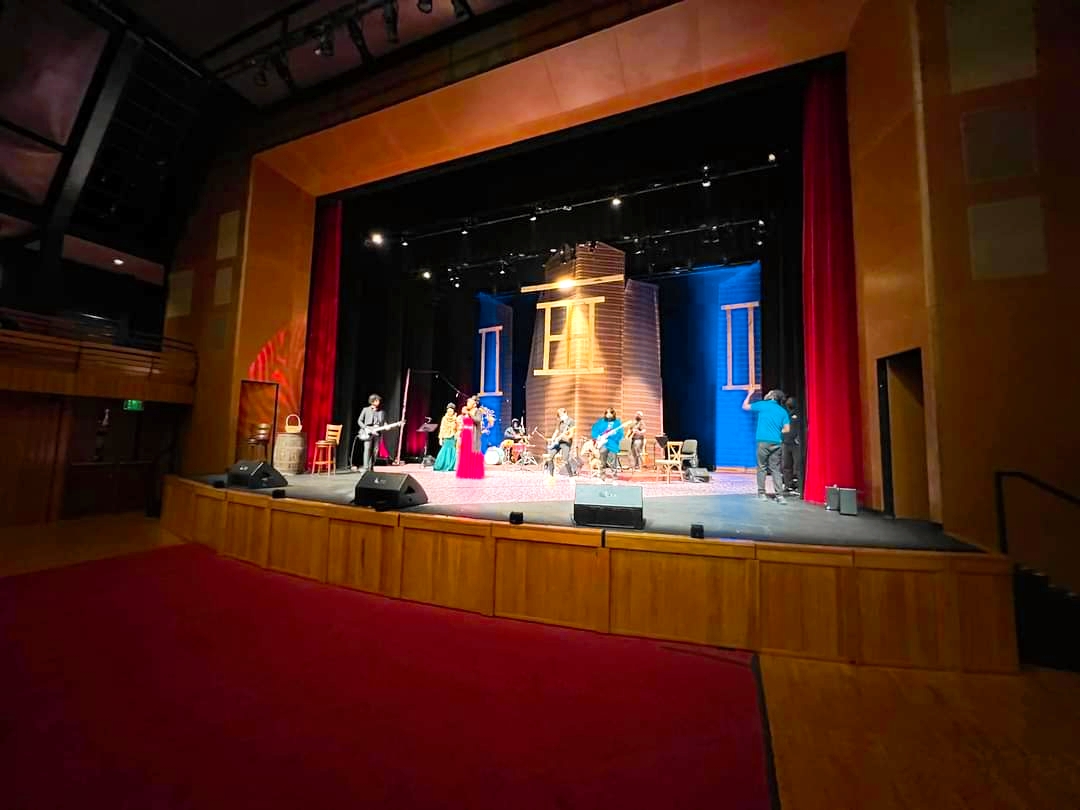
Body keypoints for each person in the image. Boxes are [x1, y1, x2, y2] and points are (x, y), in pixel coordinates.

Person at [742, 387, 791, 503]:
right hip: (776, 442)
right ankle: (780, 496)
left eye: (769, 393)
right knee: (775, 469)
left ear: (772, 396)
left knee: (762, 468)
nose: (767, 394)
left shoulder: (763, 405)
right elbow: (787, 429)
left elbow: (745, 406)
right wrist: (776, 432)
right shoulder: (782, 411)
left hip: (763, 441)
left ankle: (762, 494)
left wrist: (749, 394)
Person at [354, 393, 386, 473]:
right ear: (372, 401)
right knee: (367, 449)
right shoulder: (366, 409)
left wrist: (387, 426)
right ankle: (365, 468)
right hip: (368, 432)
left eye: (379, 400)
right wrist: (365, 428)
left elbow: (384, 422)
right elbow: (359, 421)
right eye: (377, 400)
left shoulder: (381, 412)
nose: (378, 402)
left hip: (377, 433)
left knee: (375, 450)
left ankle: (371, 467)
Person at [455, 397, 485, 480]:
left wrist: (469, 414)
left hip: (473, 435)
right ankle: (465, 472)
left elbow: (478, 420)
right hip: (465, 434)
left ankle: (473, 472)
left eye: (469, 403)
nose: (467, 404)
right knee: (465, 453)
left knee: (473, 452)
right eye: (467, 403)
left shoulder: (477, 411)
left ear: (474, 404)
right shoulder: (465, 412)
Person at [590, 408, 623, 477]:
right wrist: (598, 437)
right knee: (602, 457)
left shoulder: (617, 423)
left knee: (613, 458)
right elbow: (594, 430)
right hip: (603, 443)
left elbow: (620, 434)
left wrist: (615, 434)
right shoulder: (601, 422)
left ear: (613, 414)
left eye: (610, 413)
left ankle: (614, 474)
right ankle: (602, 474)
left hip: (612, 443)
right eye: (607, 413)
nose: (608, 414)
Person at [545, 407, 577, 477]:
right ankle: (551, 476)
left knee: (565, 460)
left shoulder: (571, 421)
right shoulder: (560, 422)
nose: (560, 417)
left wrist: (564, 436)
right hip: (559, 442)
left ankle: (571, 476)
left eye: (561, 415)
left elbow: (571, 435)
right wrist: (553, 439)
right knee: (550, 457)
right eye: (559, 416)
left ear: (565, 413)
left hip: (566, 443)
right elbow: (556, 431)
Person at [782, 396, 802, 496]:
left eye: (791, 401)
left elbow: (801, 427)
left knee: (798, 466)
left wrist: (799, 437)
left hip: (796, 444)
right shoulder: (786, 414)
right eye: (788, 401)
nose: (789, 403)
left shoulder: (799, 414)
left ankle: (799, 486)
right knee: (786, 466)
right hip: (786, 443)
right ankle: (787, 485)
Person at [433, 402, 459, 472]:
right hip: (446, 437)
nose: (450, 412)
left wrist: (457, 435)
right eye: (448, 411)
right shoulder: (444, 418)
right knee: (444, 451)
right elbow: (442, 428)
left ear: (453, 411)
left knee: (452, 451)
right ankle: (440, 465)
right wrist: (440, 438)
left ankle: (450, 466)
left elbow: (457, 428)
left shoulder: (456, 418)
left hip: (453, 437)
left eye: (451, 411)